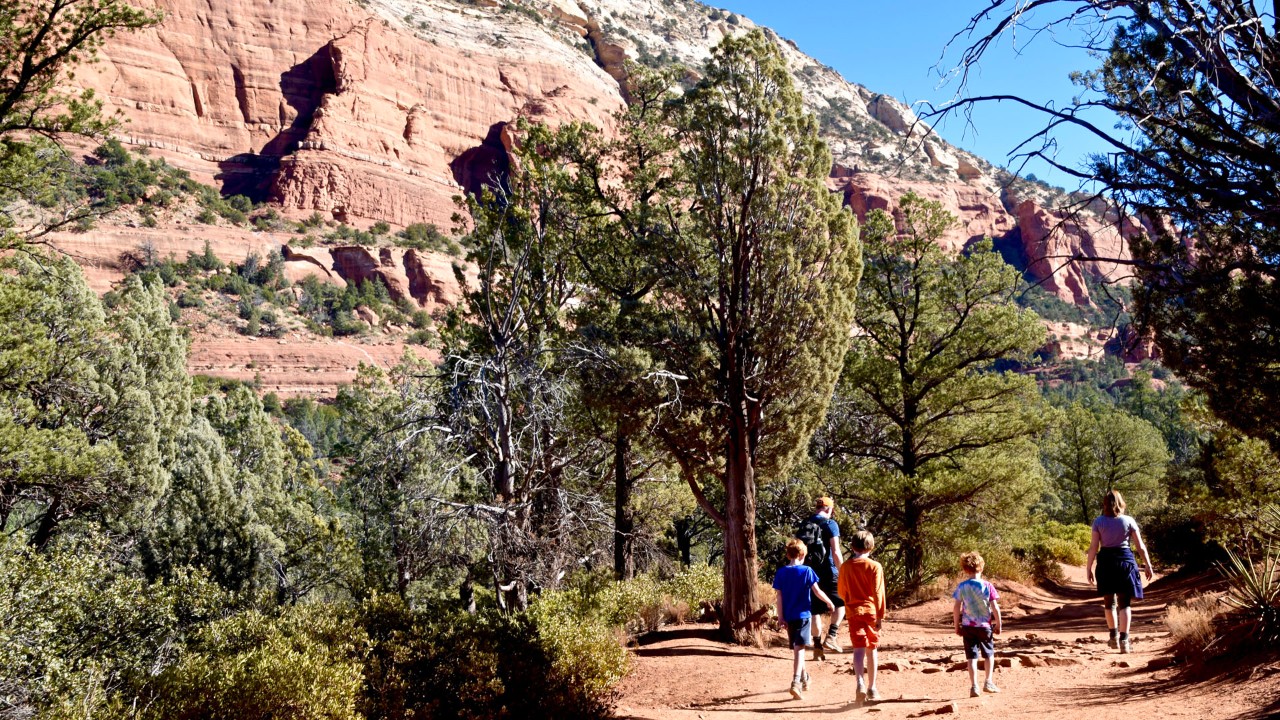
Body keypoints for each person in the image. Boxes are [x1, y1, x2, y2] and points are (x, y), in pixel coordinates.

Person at [1086, 489, 1154, 654]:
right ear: (1120, 502)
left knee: (1109, 603)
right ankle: (1124, 640)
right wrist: (1147, 564)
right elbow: (1140, 546)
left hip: (1106, 563)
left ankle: (1113, 637)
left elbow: (1094, 547)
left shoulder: (1098, 522)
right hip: (1125, 562)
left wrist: (1088, 568)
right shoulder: (1129, 520)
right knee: (1125, 603)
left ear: (1105, 504)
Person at [773, 538, 837, 700]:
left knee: (797, 648)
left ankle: (805, 677)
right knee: (799, 649)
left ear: (788, 555)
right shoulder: (807, 571)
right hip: (803, 616)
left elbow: (779, 597)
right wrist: (829, 601)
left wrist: (780, 617)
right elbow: (817, 591)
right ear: (802, 555)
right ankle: (796, 681)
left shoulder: (781, 572)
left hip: (789, 616)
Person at [837, 530, 886, 705]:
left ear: (852, 546)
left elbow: (841, 591)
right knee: (871, 649)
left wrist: (849, 601)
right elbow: (878, 593)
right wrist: (881, 614)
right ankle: (872, 688)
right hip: (871, 611)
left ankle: (860, 683)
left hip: (853, 611)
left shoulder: (846, 566)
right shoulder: (875, 566)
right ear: (871, 547)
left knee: (858, 649)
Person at [796, 496, 845, 657]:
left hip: (809, 572)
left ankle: (817, 647)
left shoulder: (805, 523)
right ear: (829, 509)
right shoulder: (830, 524)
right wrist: (843, 571)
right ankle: (831, 635)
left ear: (817, 508)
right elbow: (836, 551)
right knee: (840, 604)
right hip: (829, 571)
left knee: (815, 610)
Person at [952, 551, 1002, 698]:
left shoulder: (962, 586)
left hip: (968, 626)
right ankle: (988, 682)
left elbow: (956, 607)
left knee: (971, 657)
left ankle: (974, 686)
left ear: (965, 569)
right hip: (985, 626)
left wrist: (957, 625)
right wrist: (998, 623)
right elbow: (995, 607)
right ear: (981, 567)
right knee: (989, 654)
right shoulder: (988, 586)